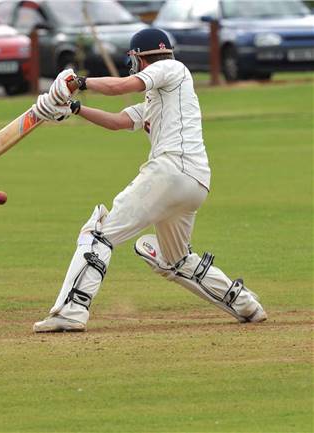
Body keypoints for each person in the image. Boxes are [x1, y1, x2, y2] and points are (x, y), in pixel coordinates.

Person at [32, 28, 267, 333]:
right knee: (176, 260)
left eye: (133, 60)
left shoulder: (171, 68)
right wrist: (74, 108)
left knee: (99, 232)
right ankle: (245, 305)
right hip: (194, 183)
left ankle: (71, 311)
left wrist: (78, 82)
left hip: (170, 172)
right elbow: (118, 121)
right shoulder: (161, 95)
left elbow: (121, 86)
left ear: (140, 58)